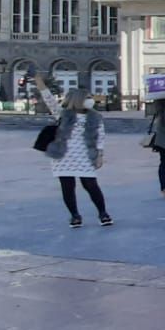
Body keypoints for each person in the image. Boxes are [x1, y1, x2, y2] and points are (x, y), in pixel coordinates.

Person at [37, 75, 112, 228]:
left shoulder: (95, 117)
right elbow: (48, 98)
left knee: (91, 185)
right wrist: (39, 81)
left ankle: (103, 213)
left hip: (85, 155)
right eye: (88, 97)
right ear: (78, 99)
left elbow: (100, 137)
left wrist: (100, 155)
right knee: (67, 186)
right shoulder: (63, 113)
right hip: (63, 156)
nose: (91, 100)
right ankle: (75, 215)